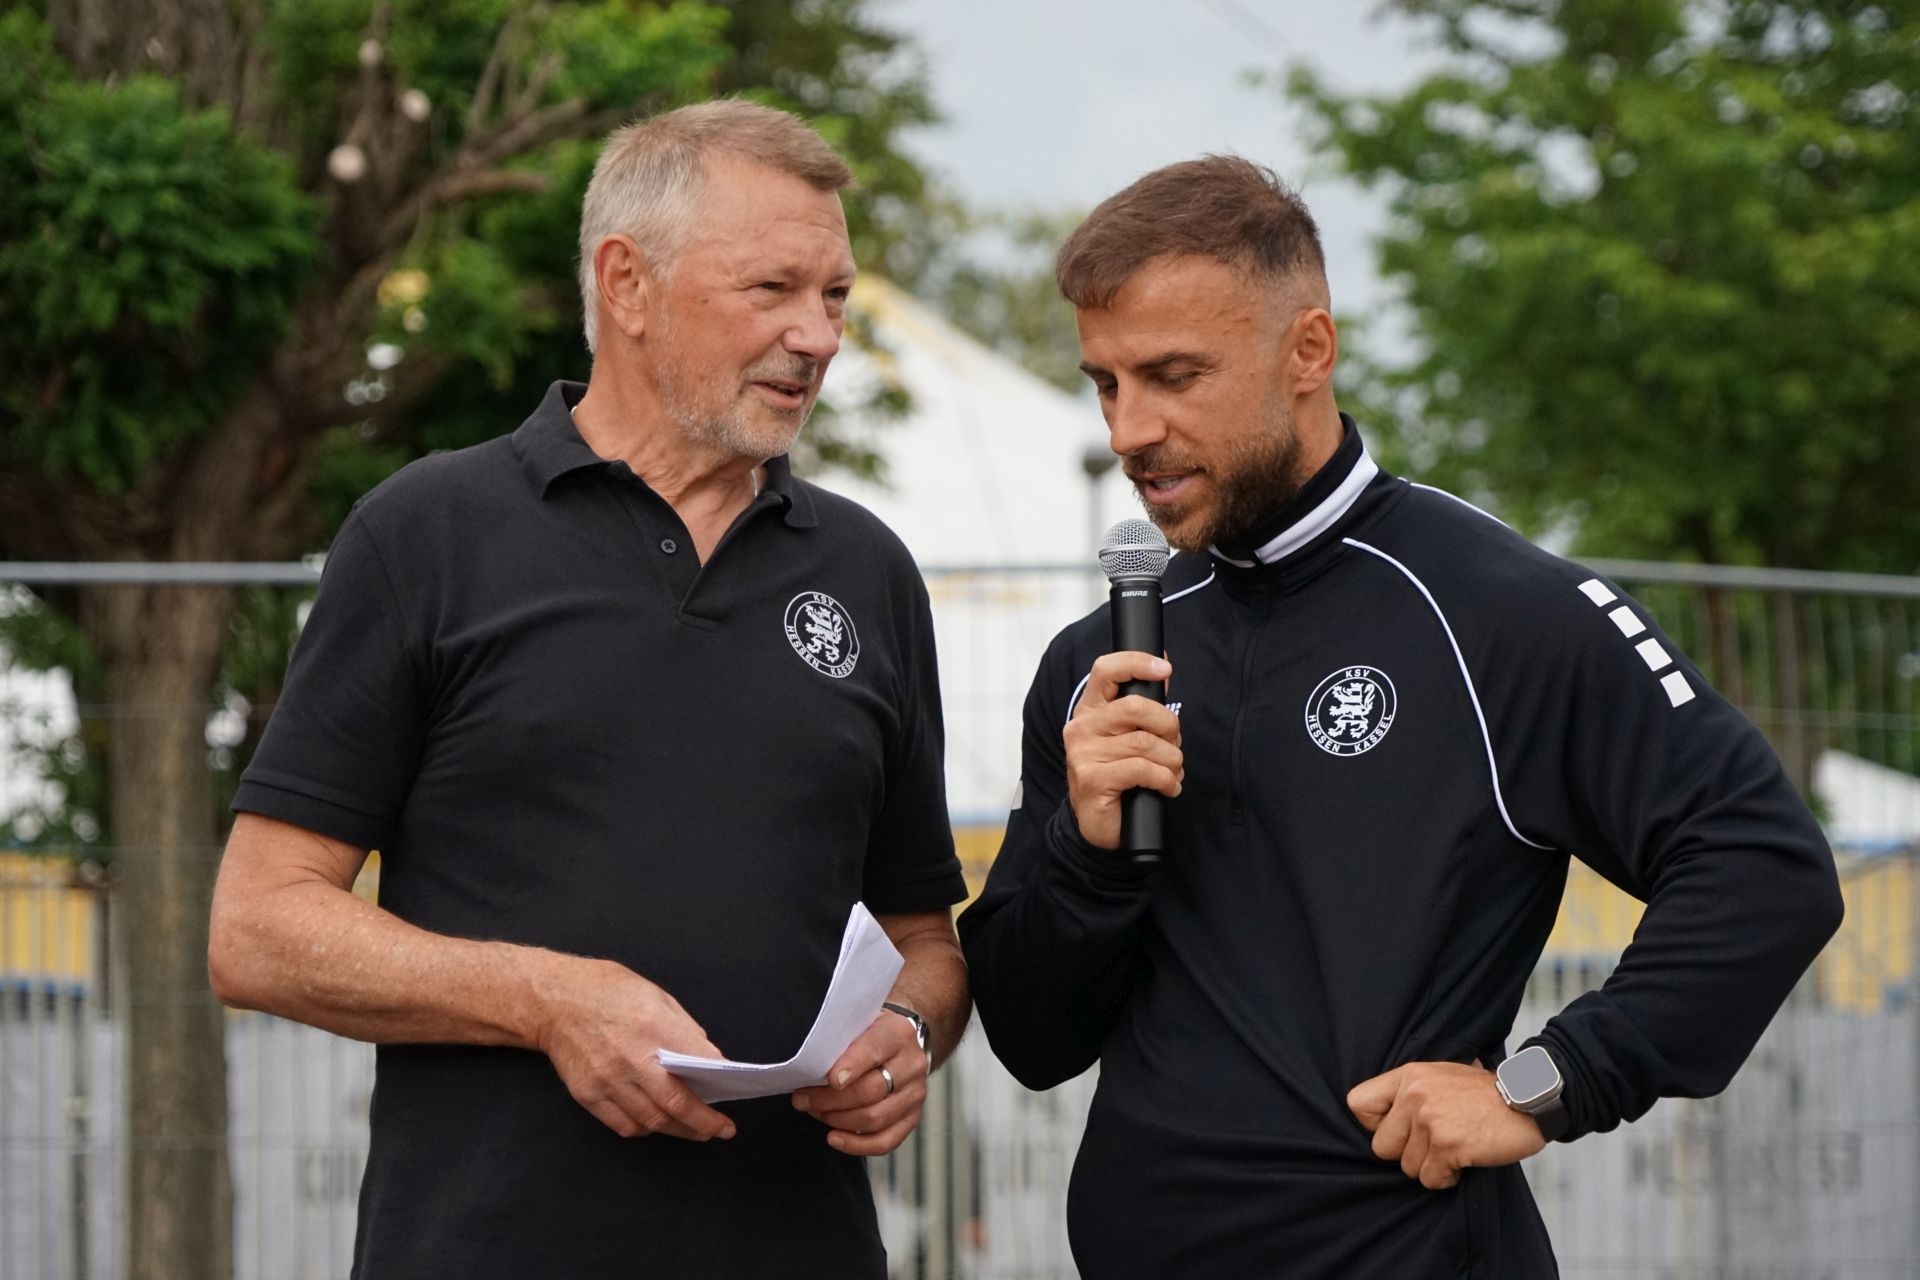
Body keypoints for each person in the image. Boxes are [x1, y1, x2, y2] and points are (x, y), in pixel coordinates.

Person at [956, 156, 1844, 1279]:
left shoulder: (1496, 607)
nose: (1131, 428)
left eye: (1173, 375)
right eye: (1105, 384)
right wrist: (1085, 857)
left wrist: (1550, 1079)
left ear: (1308, 351)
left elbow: (1765, 866)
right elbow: (1034, 1042)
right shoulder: (1099, 664)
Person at [208, 100, 970, 1278]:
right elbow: (256, 928)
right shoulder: (428, 535)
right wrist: (545, 998)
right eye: (772, 289)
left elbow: (926, 937)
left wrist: (910, 1028)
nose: (818, 336)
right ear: (627, 284)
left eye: (834, 295)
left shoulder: (868, 571)